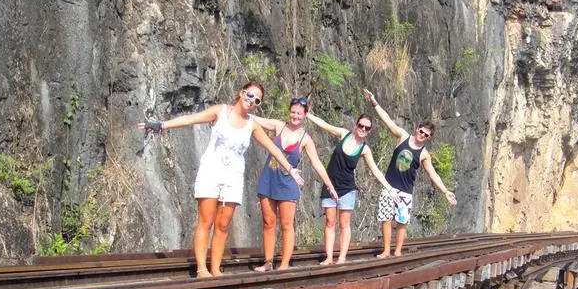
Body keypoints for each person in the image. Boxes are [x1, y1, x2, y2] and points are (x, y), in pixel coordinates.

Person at [138, 82, 303, 278]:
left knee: (223, 224)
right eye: (250, 95)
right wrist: (162, 125)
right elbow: (191, 119)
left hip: (233, 177)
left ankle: (215, 268)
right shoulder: (220, 111)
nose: (252, 101)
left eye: (257, 100)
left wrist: (291, 170)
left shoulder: (252, 125)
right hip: (211, 172)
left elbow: (273, 148)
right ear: (242, 93)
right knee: (206, 221)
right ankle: (201, 269)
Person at [363, 88, 457, 258]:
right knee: (385, 219)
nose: (422, 135)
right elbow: (388, 122)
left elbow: (433, 174)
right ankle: (386, 250)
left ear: (428, 138)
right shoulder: (402, 136)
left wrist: (445, 191)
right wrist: (374, 102)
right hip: (389, 186)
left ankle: (397, 251)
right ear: (417, 129)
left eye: (426, 135)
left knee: (401, 221)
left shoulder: (424, 154)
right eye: (421, 131)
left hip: (406, 190)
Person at [251, 97, 338, 271]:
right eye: (293, 112)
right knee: (268, 222)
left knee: (286, 224)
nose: (295, 116)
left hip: (288, 183)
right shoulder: (278, 125)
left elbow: (317, 163)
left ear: (305, 115)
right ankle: (268, 262)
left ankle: (283, 264)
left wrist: (330, 185)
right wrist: (240, 104)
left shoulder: (305, 139)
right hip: (269, 179)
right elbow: (253, 119)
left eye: (299, 113)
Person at [306, 109, 399, 265]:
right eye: (361, 125)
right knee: (329, 222)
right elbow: (325, 125)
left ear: (369, 131)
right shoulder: (344, 134)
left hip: (347, 189)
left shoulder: (364, 149)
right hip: (330, 185)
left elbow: (375, 171)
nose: (363, 129)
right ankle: (329, 257)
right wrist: (308, 115)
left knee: (344, 223)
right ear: (356, 125)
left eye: (366, 128)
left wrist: (389, 188)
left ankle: (341, 257)